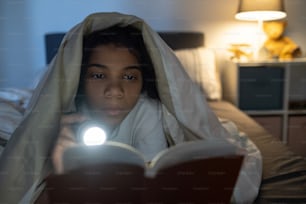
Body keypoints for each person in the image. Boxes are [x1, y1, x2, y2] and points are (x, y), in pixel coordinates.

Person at [0, 12, 262, 203]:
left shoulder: (148, 111)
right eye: (99, 75)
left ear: (142, 80)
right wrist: (61, 171)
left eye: (128, 77)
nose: (115, 91)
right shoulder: (66, 120)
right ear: (79, 80)